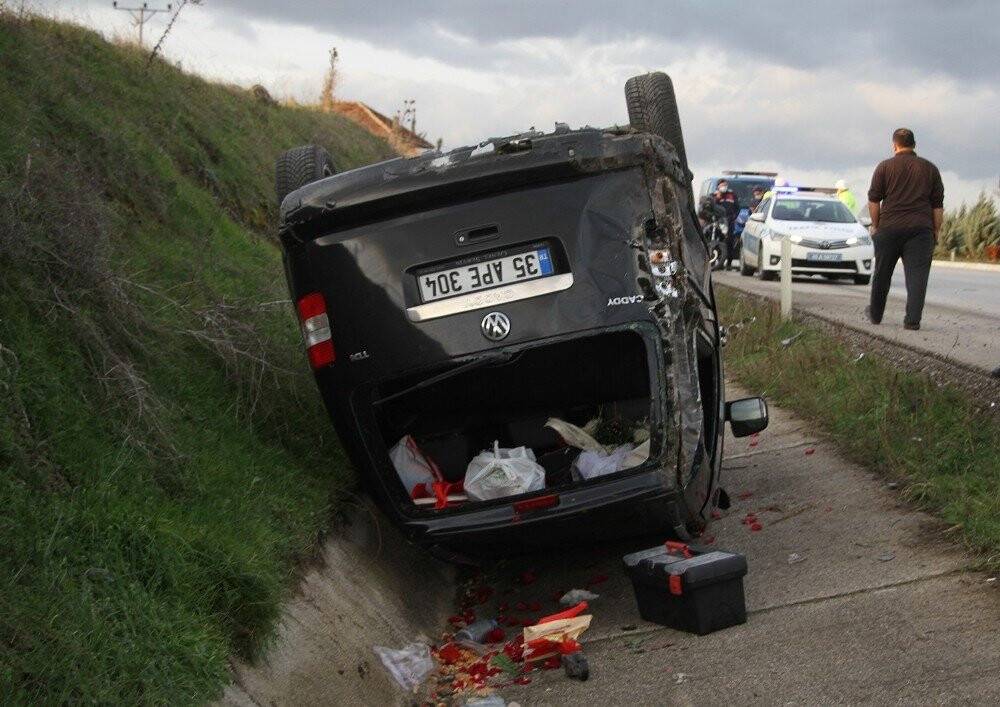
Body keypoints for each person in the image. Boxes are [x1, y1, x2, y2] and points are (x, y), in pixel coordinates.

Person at [865, 128, 944, 331]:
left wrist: (876, 225)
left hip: (889, 228)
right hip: (920, 230)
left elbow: (874, 201)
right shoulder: (930, 169)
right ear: (914, 145)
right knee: (918, 276)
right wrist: (936, 230)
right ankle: (912, 320)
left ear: (895, 145)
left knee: (882, 273)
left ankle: (875, 314)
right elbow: (937, 205)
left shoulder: (884, 167)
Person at [713, 179, 740, 270]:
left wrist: (734, 217)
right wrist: (717, 197)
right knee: (717, 241)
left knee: (729, 242)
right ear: (718, 186)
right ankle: (718, 262)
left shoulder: (732, 195)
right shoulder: (715, 195)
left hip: (730, 222)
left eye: (725, 185)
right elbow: (711, 206)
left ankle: (729, 263)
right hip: (718, 222)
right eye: (722, 185)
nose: (724, 187)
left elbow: (737, 208)